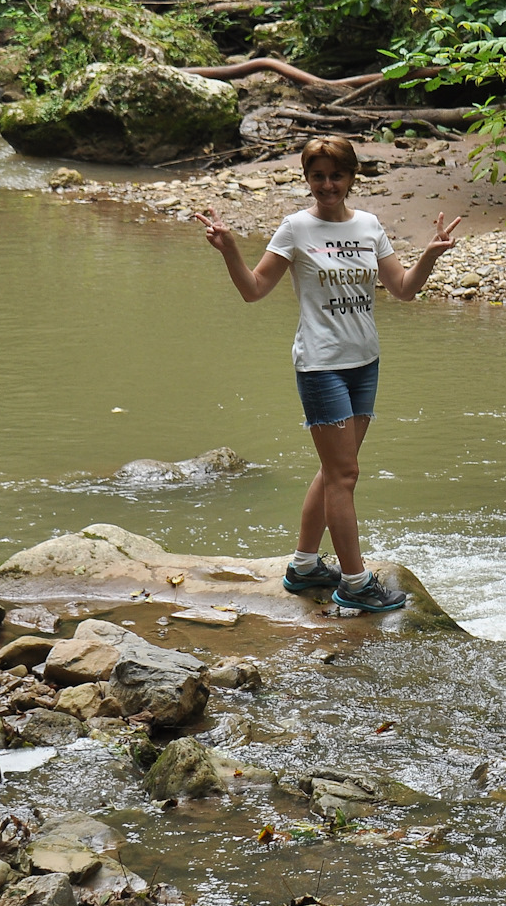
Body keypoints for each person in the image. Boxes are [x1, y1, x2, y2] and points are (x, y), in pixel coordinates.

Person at [196, 135, 461, 612]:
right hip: (321, 365)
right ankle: (355, 583)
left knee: (335, 471)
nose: (327, 185)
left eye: (335, 175)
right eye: (317, 176)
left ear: (351, 177)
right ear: (307, 179)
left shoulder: (368, 225)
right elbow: (254, 290)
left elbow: (402, 289)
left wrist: (431, 255)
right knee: (345, 474)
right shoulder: (295, 229)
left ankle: (303, 566)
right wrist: (229, 250)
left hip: (365, 362)